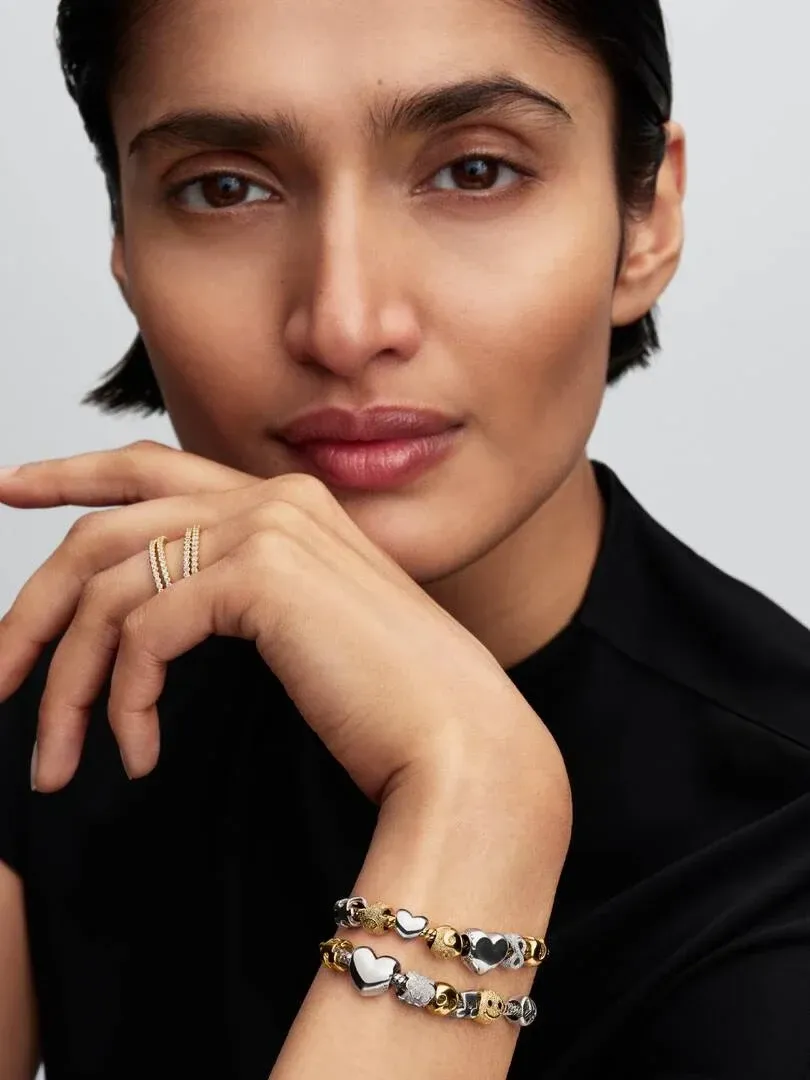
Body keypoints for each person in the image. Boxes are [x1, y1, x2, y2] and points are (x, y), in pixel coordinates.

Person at [1, 0, 809, 1077]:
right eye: (224, 187)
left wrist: (480, 797)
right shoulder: (58, 725)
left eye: (475, 171)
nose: (344, 321)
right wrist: (477, 788)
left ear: (647, 218)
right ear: (125, 250)